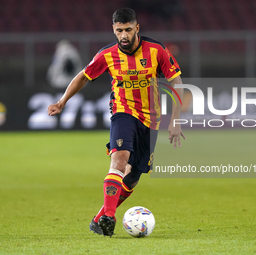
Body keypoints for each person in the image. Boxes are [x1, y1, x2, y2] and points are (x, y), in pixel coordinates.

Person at [47, 8, 185, 237]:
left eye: (128, 30)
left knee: (132, 177)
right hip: (123, 112)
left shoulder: (157, 50)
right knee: (119, 160)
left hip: (151, 120)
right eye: (119, 30)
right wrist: (62, 101)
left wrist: (176, 120)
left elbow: (177, 82)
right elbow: (83, 75)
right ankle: (109, 216)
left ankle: (99, 218)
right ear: (113, 29)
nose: (124, 35)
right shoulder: (107, 54)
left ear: (137, 28)